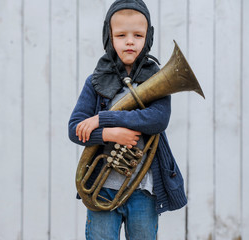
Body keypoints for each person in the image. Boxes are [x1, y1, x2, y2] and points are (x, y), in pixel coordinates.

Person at [68, 0, 187, 239]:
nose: (130, 41)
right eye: (121, 35)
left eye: (138, 35)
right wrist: (109, 134)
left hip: (144, 190)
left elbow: (158, 119)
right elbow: (75, 128)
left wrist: (104, 119)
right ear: (109, 36)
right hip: (101, 190)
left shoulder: (157, 80)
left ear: (147, 38)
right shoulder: (95, 81)